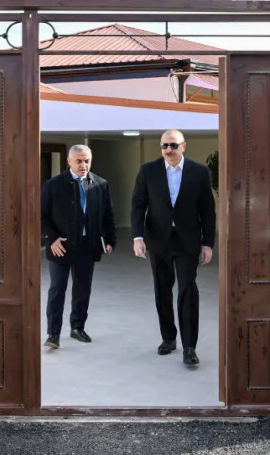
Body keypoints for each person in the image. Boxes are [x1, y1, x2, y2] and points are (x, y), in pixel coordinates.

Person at [130, 129, 216, 365]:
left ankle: (190, 347)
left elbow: (207, 210)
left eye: (173, 145)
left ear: (183, 146)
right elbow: (138, 205)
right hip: (159, 240)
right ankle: (168, 338)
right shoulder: (148, 170)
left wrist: (208, 243)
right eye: (164, 145)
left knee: (188, 290)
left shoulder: (199, 172)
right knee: (162, 290)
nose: (168, 150)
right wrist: (137, 237)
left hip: (187, 241)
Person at [41, 144, 117, 349]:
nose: (83, 165)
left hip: (87, 245)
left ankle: (77, 327)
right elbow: (41, 216)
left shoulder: (100, 184)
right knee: (57, 288)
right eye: (79, 161)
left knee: (82, 289)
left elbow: (108, 214)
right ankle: (53, 334)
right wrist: (51, 239)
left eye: (87, 161)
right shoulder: (53, 185)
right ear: (69, 161)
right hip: (61, 246)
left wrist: (110, 239)